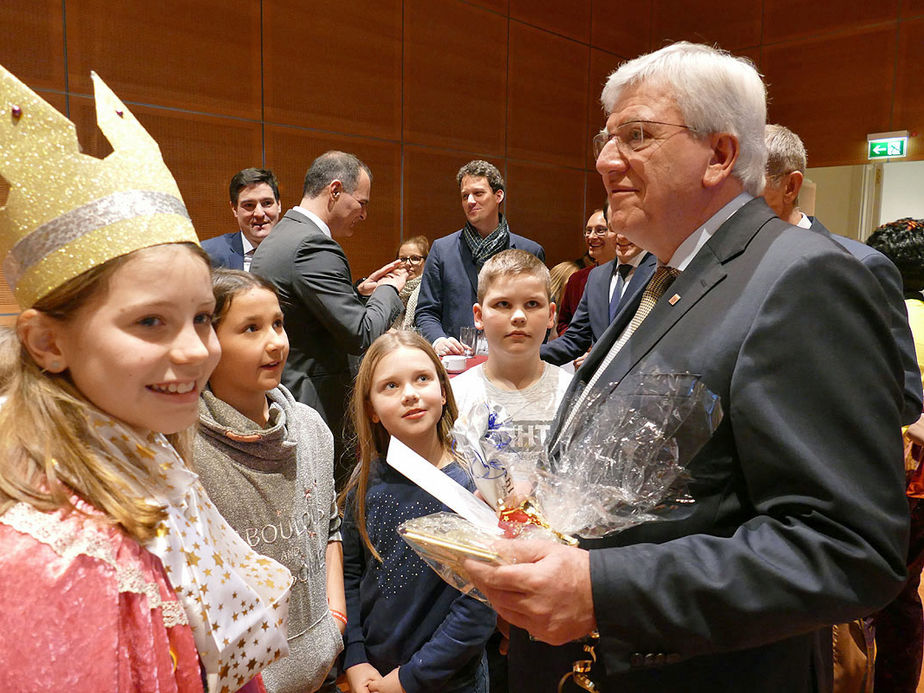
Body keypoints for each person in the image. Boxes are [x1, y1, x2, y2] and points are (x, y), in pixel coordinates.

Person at [465, 42, 909, 693]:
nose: (604, 158)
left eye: (636, 135)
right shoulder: (659, 266)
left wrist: (602, 587)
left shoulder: (805, 277)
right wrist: (549, 502)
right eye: (607, 136)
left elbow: (848, 549)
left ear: (721, 154)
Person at [0, 66, 291, 691]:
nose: (196, 353)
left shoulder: (149, 458)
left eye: (202, 318)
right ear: (49, 342)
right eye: (151, 321)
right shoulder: (60, 562)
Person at [194, 270, 345, 693]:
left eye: (278, 323)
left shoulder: (311, 427)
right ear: (210, 343)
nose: (276, 342)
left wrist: (334, 620)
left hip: (322, 669)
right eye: (251, 328)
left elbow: (328, 525)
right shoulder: (186, 450)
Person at [340, 331, 496, 693]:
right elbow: (350, 573)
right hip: (373, 676)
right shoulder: (363, 484)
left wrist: (411, 678)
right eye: (390, 386)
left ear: (443, 391)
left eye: (422, 379)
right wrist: (356, 657)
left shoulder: (474, 487)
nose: (410, 393)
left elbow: (480, 603)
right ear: (371, 410)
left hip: (453, 681)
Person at [251, 151, 407, 488]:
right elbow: (360, 333)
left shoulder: (281, 237)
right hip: (315, 402)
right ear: (335, 191)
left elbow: (305, 313)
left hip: (285, 391)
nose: (364, 214)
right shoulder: (313, 245)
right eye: (361, 202)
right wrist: (390, 290)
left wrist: (359, 293)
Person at [762, 124, 922, 424]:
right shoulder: (721, 260)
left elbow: (904, 397)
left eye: (744, 185)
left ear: (789, 187)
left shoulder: (860, 265)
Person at [867, 217, 924, 693]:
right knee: (905, 597)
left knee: (868, 591)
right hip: (918, 484)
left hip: (888, 474)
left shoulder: (882, 314)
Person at [415, 160, 545, 356]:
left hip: (512, 359)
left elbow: (540, 311)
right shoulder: (442, 250)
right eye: (465, 196)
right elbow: (426, 312)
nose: (470, 201)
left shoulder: (530, 251)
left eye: (478, 193)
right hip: (457, 360)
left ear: (498, 195)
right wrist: (439, 340)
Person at [451, 249, 572, 457]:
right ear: (479, 316)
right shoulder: (454, 397)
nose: (518, 316)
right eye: (503, 304)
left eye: (532, 304)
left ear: (551, 314)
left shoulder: (572, 395)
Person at [542, 205, 656, 368]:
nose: (621, 237)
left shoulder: (661, 271)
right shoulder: (596, 276)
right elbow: (574, 340)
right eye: (613, 228)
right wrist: (527, 355)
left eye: (629, 228)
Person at [202, 167, 282, 270]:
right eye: (249, 205)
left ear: (278, 205)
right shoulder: (208, 255)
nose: (259, 213)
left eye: (267, 203)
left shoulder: (297, 253)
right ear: (234, 209)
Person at [393, 235, 429, 330]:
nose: (408, 264)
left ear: (426, 262)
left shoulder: (429, 291)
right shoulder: (390, 291)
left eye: (415, 258)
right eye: (403, 259)